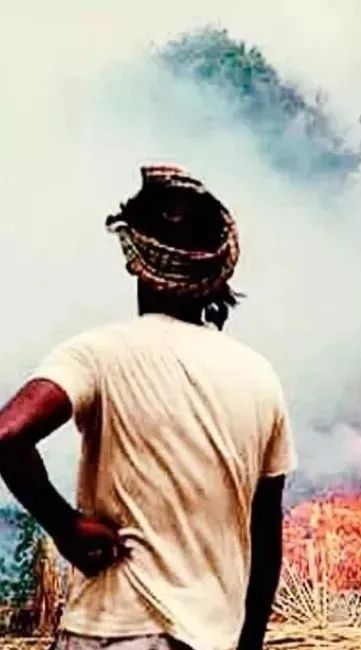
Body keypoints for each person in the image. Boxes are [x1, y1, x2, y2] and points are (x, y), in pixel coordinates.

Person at [0, 165, 297, 650]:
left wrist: (65, 527)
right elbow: (266, 544)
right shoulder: (259, 376)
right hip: (210, 639)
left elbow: (7, 434)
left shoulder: (97, 354)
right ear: (217, 271)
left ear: (134, 259)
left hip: (111, 634)